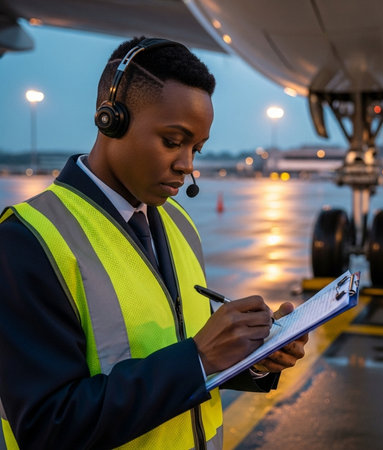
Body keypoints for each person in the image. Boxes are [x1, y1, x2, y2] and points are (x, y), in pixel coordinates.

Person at [0, 37, 308, 449]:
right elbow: (48, 425)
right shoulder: (28, 240)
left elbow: (171, 352)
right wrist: (197, 359)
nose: (187, 165)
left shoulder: (177, 222)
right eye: (172, 141)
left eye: (196, 148)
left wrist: (251, 358)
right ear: (111, 120)